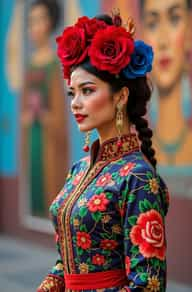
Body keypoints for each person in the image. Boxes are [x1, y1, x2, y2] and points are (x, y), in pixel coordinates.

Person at [37, 13, 169, 292]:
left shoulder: (138, 178)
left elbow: (148, 285)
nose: (76, 103)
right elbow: (67, 259)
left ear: (120, 96)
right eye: (72, 93)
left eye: (87, 91)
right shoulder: (79, 169)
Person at [139, 0, 192, 198]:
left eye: (174, 19)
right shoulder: (136, 160)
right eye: (153, 24)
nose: (163, 41)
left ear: (190, 30)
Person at [20, 0, 68, 218]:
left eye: (40, 20)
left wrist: (45, 116)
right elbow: (24, 106)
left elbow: (60, 114)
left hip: (49, 137)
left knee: (50, 184)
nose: (35, 27)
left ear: (50, 23)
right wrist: (28, 116)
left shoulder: (53, 63)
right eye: (31, 22)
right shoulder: (30, 64)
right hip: (33, 135)